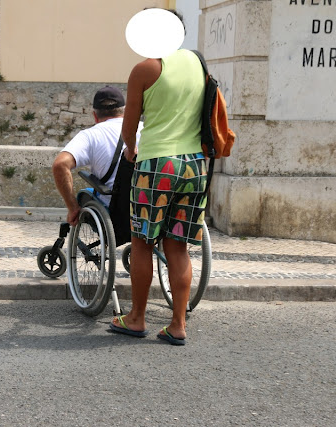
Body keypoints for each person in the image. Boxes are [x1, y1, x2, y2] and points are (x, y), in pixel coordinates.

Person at [110, 25, 207, 345]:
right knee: (178, 247)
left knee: (142, 242)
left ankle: (136, 318)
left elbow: (129, 127)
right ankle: (178, 325)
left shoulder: (145, 69)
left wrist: (130, 148)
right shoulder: (197, 63)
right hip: (194, 166)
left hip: (156, 166)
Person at [52, 86, 142, 226]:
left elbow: (60, 165)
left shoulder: (90, 135)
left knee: (85, 194)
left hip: (115, 213)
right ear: (125, 111)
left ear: (95, 115)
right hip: (147, 205)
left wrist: (73, 207)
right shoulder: (145, 129)